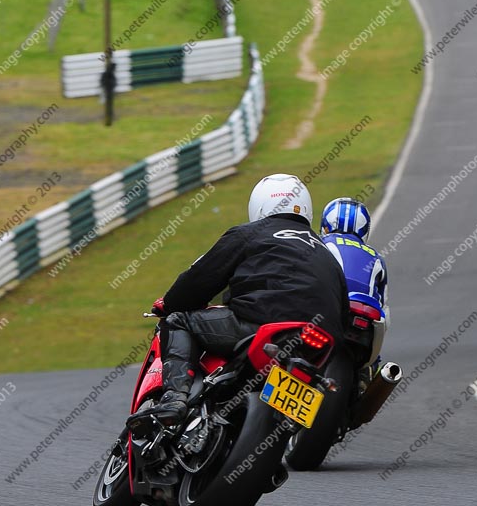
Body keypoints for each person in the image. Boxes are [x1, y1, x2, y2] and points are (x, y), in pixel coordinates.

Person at [128, 173, 351, 430]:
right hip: (318, 341)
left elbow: (201, 279)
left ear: (259, 205)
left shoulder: (250, 233)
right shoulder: (326, 251)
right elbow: (342, 309)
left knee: (178, 321)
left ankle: (174, 399)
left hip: (261, 324)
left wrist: (170, 304)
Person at [319, 197, 389, 384]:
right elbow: (383, 304)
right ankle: (371, 370)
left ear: (325, 224)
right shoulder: (376, 257)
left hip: (325, 312)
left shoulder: (319, 244)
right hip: (363, 322)